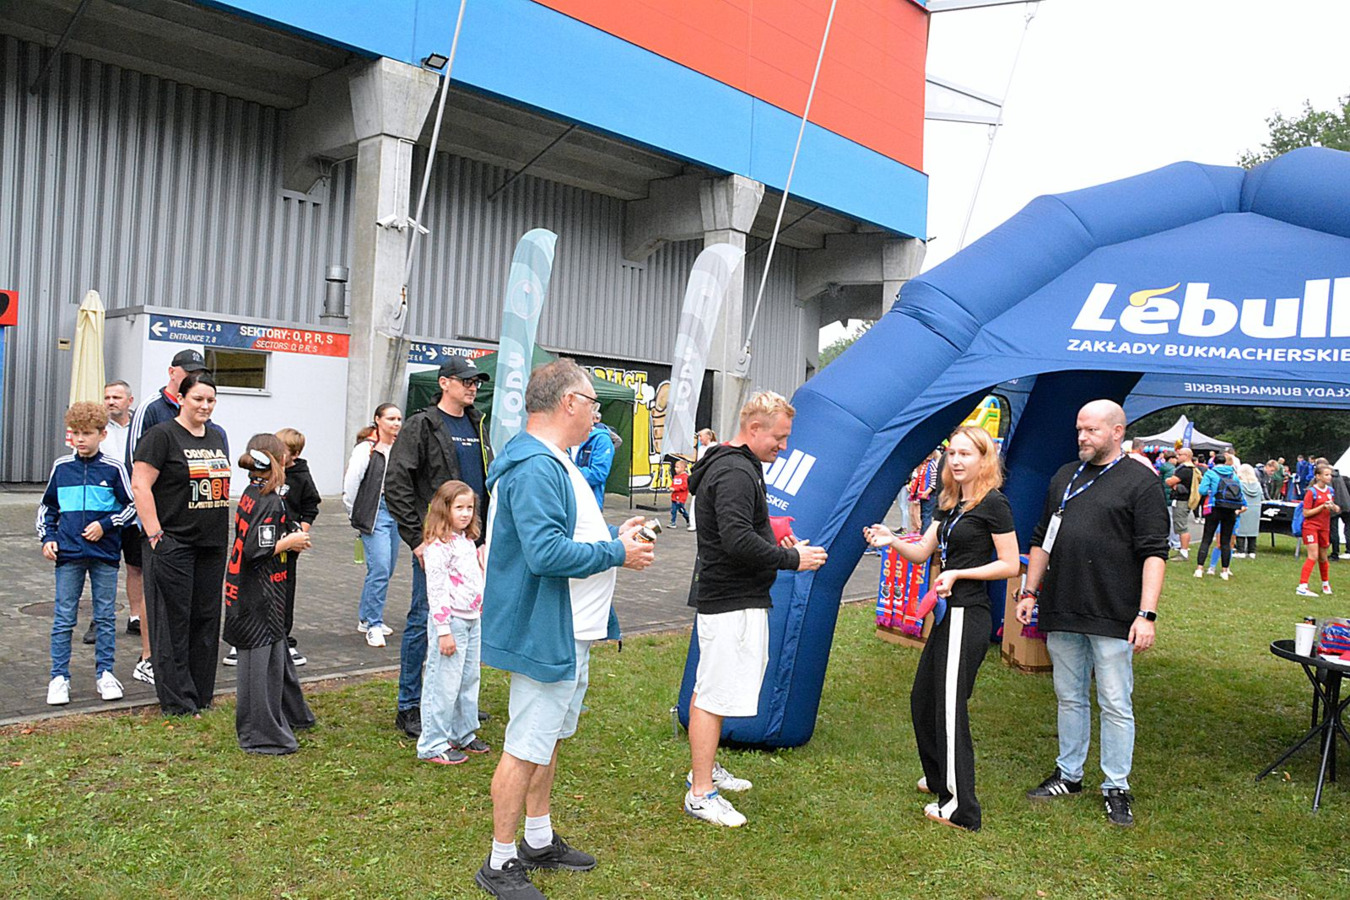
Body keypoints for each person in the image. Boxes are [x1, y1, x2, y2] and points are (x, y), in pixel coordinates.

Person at [474, 359, 654, 900]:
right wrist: (616, 552)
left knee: (546, 738)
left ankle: (537, 838)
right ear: (569, 402)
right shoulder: (535, 465)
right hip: (547, 628)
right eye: (593, 404)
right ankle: (500, 861)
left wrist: (612, 534)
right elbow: (545, 552)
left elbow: (565, 532)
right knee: (525, 745)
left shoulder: (553, 460)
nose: (597, 415)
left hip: (568, 628)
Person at [1016, 399, 1167, 828]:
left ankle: (1116, 785)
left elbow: (1154, 553)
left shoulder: (1141, 482)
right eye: (1079, 429)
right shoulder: (1065, 477)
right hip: (1062, 606)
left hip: (1114, 613)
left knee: (1115, 702)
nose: (1082, 437)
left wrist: (1146, 614)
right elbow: (1042, 538)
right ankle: (1069, 774)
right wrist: (1030, 591)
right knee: (1069, 696)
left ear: (1117, 432)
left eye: (1092, 430)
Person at [683, 391, 828, 829]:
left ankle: (705, 770)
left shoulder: (737, 465)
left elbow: (741, 529)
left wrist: (772, 533)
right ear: (754, 428)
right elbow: (735, 539)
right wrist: (792, 559)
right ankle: (700, 793)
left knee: (712, 687)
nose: (783, 446)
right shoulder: (734, 471)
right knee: (714, 694)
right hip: (731, 598)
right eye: (779, 438)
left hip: (731, 596)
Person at [864, 426, 1018, 831]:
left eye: (966, 454)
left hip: (970, 614)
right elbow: (921, 552)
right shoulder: (950, 502)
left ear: (984, 459)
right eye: (953, 453)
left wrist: (959, 574)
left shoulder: (994, 503)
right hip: (949, 615)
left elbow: (1010, 563)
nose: (957, 460)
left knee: (949, 708)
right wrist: (891, 539)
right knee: (923, 699)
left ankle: (960, 809)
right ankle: (938, 778)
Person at [385, 356, 492, 739]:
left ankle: (459, 706)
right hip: (435, 542)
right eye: (466, 381)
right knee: (425, 618)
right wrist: (417, 539)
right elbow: (396, 482)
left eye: (476, 382)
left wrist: (482, 538)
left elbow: (484, 483)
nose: (473, 387)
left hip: (471, 542)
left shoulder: (478, 423)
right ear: (444, 383)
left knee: (467, 621)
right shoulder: (423, 424)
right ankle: (410, 705)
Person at [131, 372, 232, 717]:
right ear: (181, 399)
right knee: (173, 622)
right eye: (198, 399)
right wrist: (155, 534)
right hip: (173, 543)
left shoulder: (216, 435)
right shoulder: (161, 436)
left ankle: (201, 694)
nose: (205, 406)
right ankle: (177, 701)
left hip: (211, 544)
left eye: (211, 400)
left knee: (205, 619)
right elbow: (140, 485)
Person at [40, 402, 137, 705]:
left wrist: (105, 525)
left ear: (102, 434)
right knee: (63, 618)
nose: (80, 439)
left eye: (87, 433)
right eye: (75, 433)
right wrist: (48, 538)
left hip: (104, 554)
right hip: (68, 554)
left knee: (105, 617)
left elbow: (132, 507)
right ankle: (59, 677)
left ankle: (105, 673)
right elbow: (48, 508)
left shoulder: (114, 468)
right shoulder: (61, 467)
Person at [223, 435, 315, 754]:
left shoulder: (254, 491)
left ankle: (292, 714)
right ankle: (260, 734)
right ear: (278, 461)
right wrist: (290, 542)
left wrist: (289, 533)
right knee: (258, 665)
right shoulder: (267, 499)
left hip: (264, 590)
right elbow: (256, 549)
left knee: (278, 655)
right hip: (255, 595)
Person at [417, 480, 489, 766]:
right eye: (459, 507)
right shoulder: (438, 547)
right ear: (443, 509)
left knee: (468, 679)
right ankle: (432, 743)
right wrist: (444, 630)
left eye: (469, 507)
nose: (465, 513)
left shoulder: (466, 541)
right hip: (451, 622)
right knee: (443, 684)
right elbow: (436, 590)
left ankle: (463, 732)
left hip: (472, 619)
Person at [100, 381, 150, 674]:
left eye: (117, 397)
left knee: (136, 566)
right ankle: (99, 619)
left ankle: (135, 616)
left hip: (133, 508)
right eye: (107, 397)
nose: (111, 401)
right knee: (103, 566)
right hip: (105, 509)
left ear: (129, 400)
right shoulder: (98, 428)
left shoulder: (140, 428)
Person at [343, 404, 403, 647]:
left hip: (396, 511)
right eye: (391, 418)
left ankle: (366, 617)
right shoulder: (366, 449)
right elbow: (352, 482)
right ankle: (374, 624)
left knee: (386, 569)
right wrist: (355, 511)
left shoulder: (400, 448)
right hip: (375, 511)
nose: (396, 423)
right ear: (378, 420)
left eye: (399, 419)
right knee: (379, 567)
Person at [275, 427, 321, 667]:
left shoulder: (301, 476)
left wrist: (300, 534)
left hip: (289, 545)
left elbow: (311, 506)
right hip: (265, 542)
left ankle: (284, 639)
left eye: (283, 451)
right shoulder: (265, 472)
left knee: (285, 590)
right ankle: (249, 639)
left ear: (295, 454)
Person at [1192, 453, 1245, 580]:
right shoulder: (1233, 474)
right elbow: (1240, 492)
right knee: (1226, 541)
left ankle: (1199, 568)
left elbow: (1202, 490)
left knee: (1207, 538)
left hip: (1215, 507)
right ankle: (1225, 571)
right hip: (1230, 509)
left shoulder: (1211, 473)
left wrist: (1211, 492)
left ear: (1214, 462)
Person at [1297, 463, 1339, 597]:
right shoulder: (1311, 492)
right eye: (1326, 475)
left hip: (1324, 527)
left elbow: (1335, 507)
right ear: (1318, 476)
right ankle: (1302, 586)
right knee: (1313, 555)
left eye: (1330, 475)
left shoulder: (1330, 491)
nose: (1329, 477)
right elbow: (1306, 513)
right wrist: (1322, 507)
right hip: (1311, 527)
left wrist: (1334, 507)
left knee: (1323, 557)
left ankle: (1325, 583)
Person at [572, 407, 617, 510]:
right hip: (568, 503)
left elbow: (598, 474)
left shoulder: (601, 439)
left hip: (589, 505)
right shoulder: (566, 438)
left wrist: (567, 470)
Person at [1164, 447, 1195, 560]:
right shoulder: (1192, 469)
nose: (1177, 457)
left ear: (1186, 456)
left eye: (1180, 454)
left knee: (1181, 527)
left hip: (1181, 500)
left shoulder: (1184, 469)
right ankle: (1182, 550)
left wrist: (1170, 481)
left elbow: (1170, 481)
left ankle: (1184, 552)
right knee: (1180, 525)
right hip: (1185, 499)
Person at [686, 428, 717, 532]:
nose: (700, 439)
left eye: (701, 436)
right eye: (699, 436)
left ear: (708, 436)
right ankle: (693, 522)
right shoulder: (701, 449)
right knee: (696, 499)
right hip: (701, 477)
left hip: (710, 477)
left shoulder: (714, 447)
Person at [669, 458, 691, 528]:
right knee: (673, 510)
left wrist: (675, 489)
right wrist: (671, 487)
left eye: (677, 467)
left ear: (682, 468)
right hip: (674, 497)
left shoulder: (685, 477)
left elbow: (685, 486)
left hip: (681, 497)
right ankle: (673, 522)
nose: (675, 469)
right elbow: (673, 484)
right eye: (675, 467)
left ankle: (688, 518)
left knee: (681, 510)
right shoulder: (676, 476)